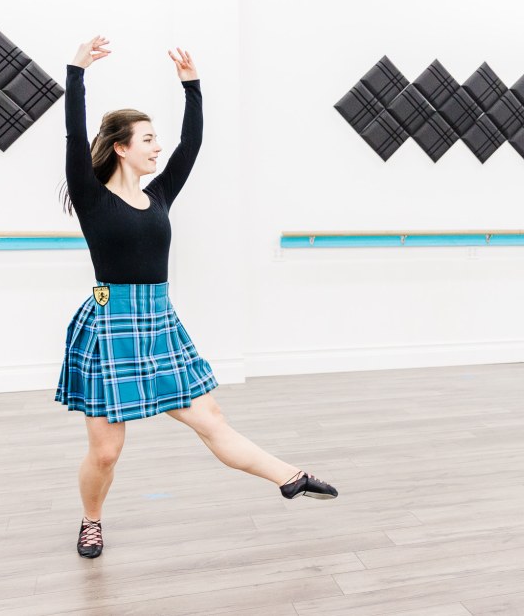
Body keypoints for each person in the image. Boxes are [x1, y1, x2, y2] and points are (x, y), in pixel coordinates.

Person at [55, 36, 338, 559]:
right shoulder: (92, 198)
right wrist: (77, 71)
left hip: (159, 322)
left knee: (212, 419)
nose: (157, 147)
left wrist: (193, 86)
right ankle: (91, 521)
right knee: (107, 452)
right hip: (110, 326)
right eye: (147, 139)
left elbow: (192, 144)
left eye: (156, 139)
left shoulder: (159, 194)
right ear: (121, 147)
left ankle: (291, 476)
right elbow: (75, 133)